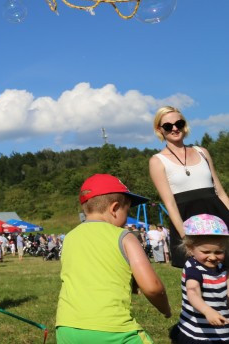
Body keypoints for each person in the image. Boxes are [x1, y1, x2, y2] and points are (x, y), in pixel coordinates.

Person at [56, 174, 171, 343]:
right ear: (115, 208)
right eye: (128, 210)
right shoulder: (124, 236)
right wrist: (166, 309)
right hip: (112, 330)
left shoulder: (70, 238)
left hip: (67, 328)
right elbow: (153, 287)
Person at [149, 106, 229, 269]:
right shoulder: (157, 161)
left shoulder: (202, 152)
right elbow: (170, 204)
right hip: (189, 224)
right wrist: (186, 238)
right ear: (160, 129)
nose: (175, 128)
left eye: (179, 123)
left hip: (219, 219)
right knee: (199, 279)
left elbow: (220, 193)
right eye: (168, 126)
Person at [170, 214, 229, 342]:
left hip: (222, 330)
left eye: (218, 252)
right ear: (190, 249)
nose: (213, 257)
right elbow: (193, 292)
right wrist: (207, 311)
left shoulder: (222, 268)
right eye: (206, 252)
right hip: (198, 333)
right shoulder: (193, 268)